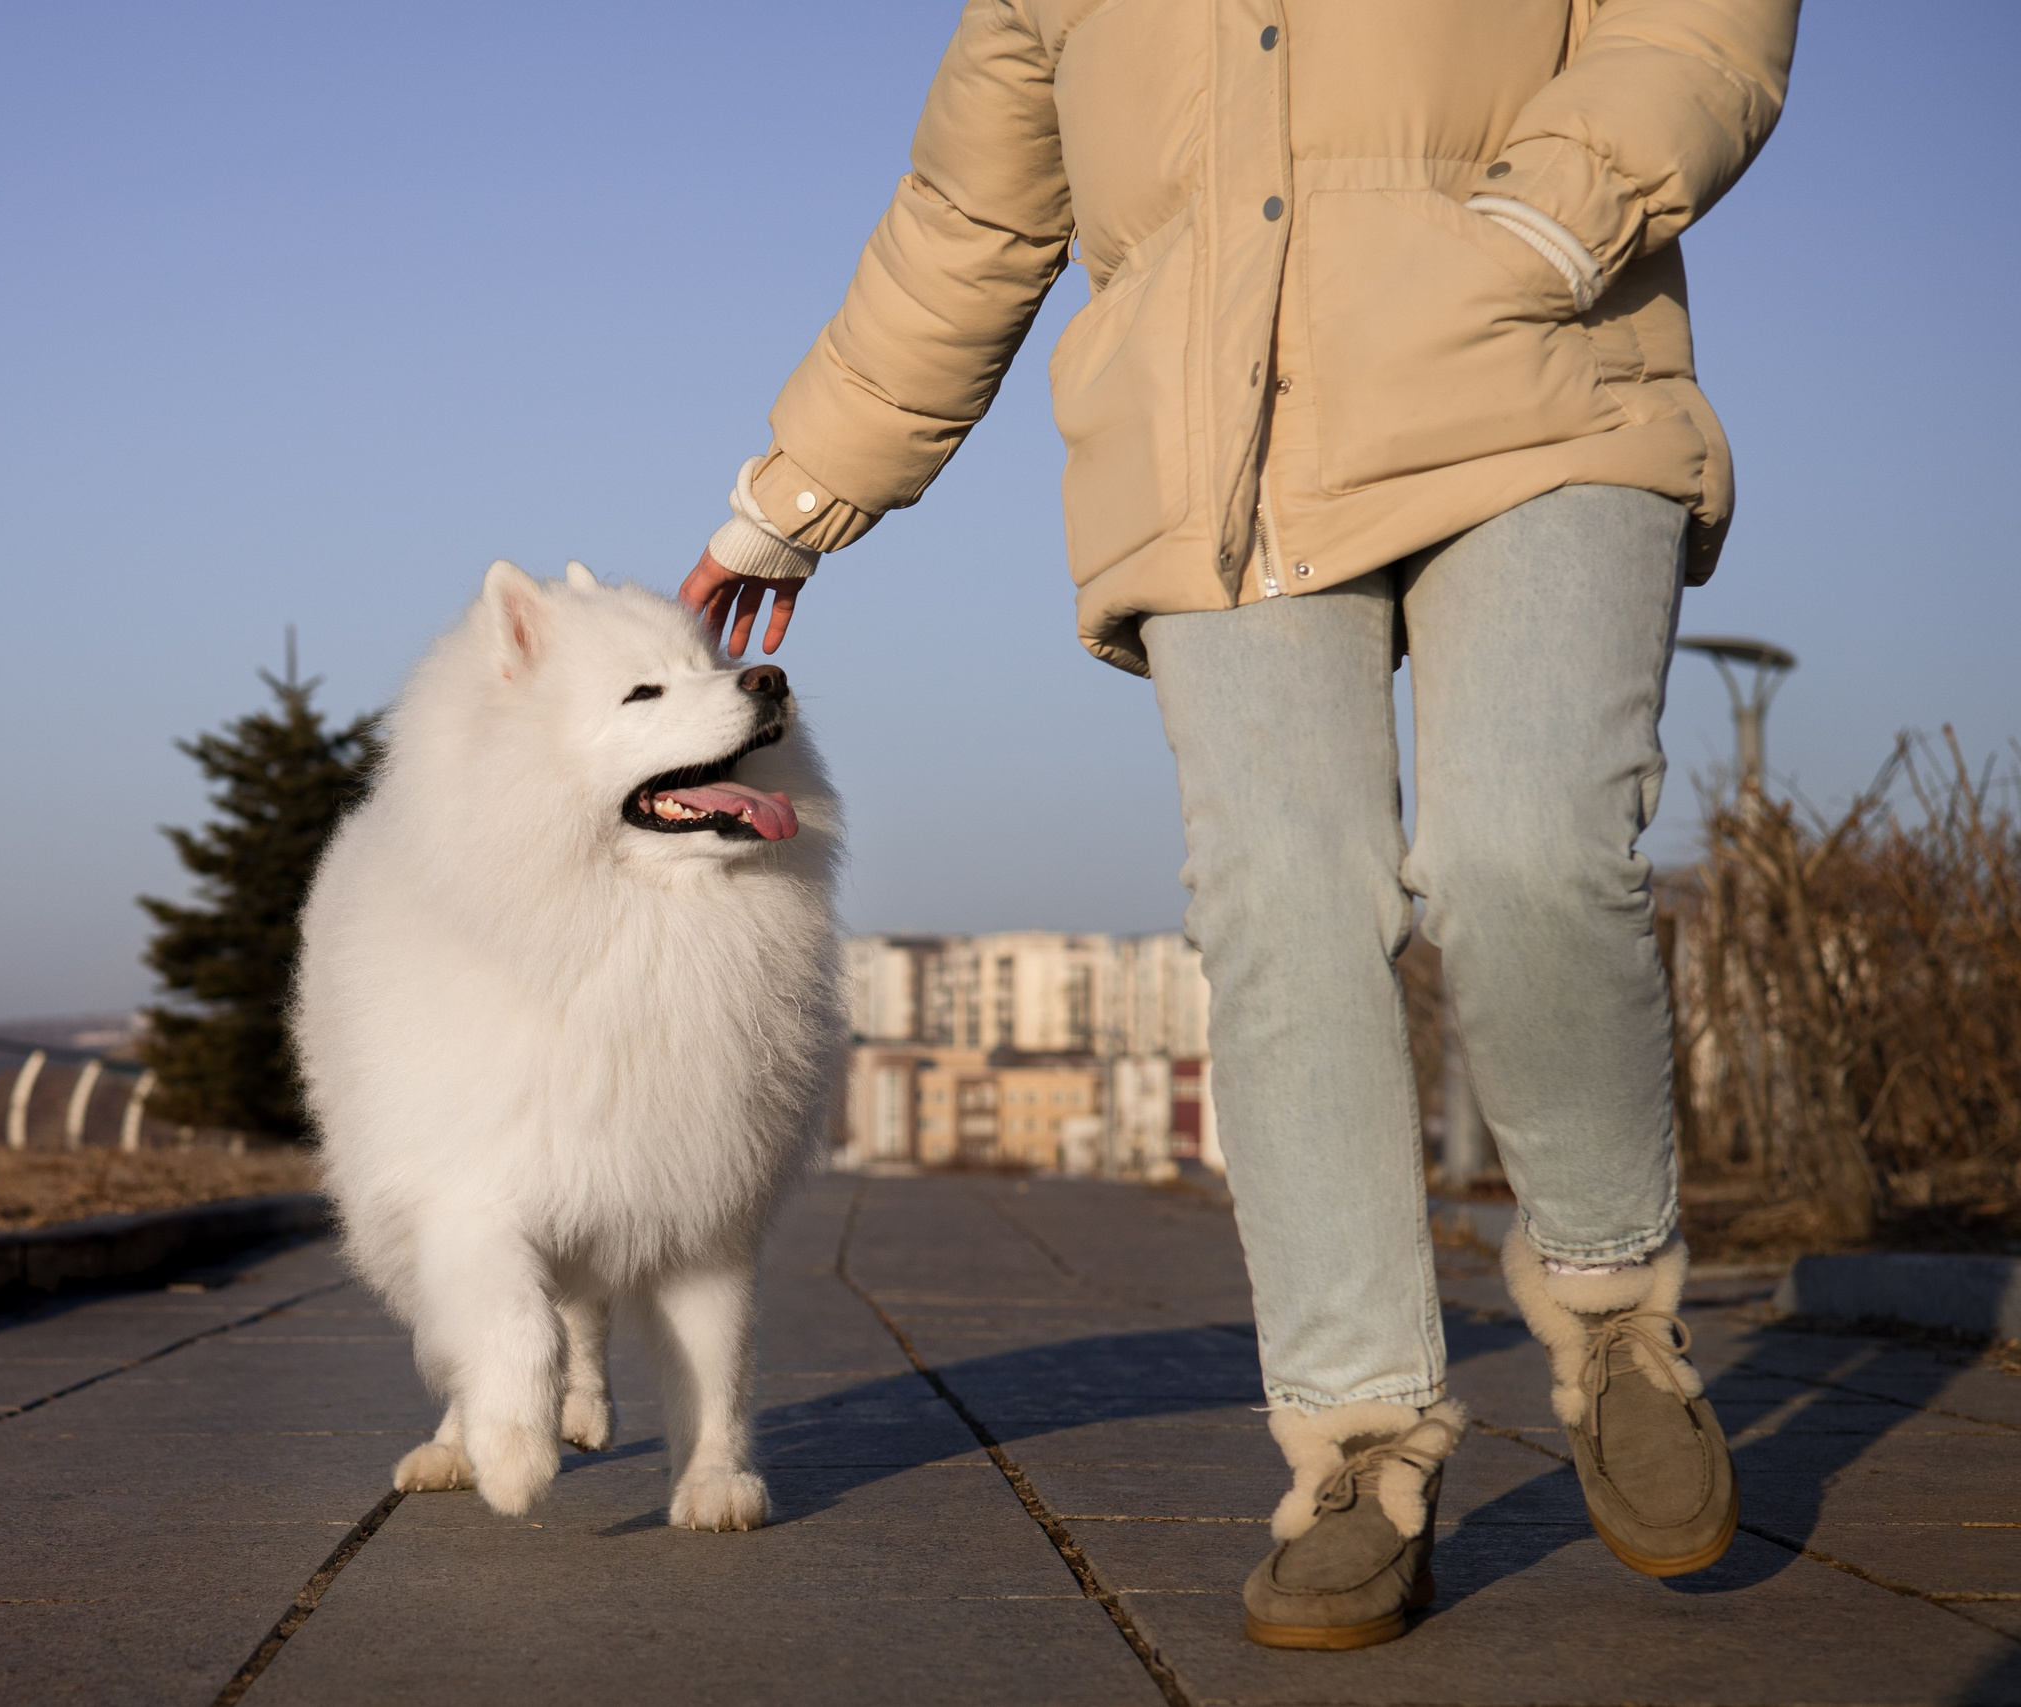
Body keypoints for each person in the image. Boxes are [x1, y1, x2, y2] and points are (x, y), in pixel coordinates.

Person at [680, 0, 1799, 1652]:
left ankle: (1615, 1315)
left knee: (1526, 850)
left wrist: (1547, 219)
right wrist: (796, 493)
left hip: (1539, 381)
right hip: (1222, 448)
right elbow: (976, 216)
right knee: (1283, 901)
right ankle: (1357, 1447)